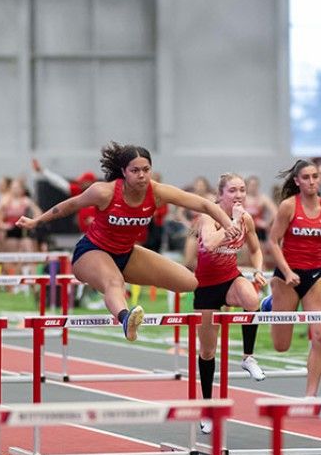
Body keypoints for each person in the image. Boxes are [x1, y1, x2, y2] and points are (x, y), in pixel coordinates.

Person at [15, 142, 240, 342]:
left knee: (189, 283)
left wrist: (228, 224)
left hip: (126, 254)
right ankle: (126, 319)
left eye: (146, 170)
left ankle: (244, 298)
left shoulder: (157, 192)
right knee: (114, 283)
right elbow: (69, 205)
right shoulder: (104, 192)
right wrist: (37, 221)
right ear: (123, 172)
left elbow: (205, 205)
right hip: (91, 252)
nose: (142, 175)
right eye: (135, 171)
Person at [264, 159, 321, 397]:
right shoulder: (288, 206)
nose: (311, 181)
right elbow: (273, 242)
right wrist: (286, 271)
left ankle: (310, 395)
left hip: (315, 277)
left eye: (315, 176)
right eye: (306, 177)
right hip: (287, 277)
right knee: (281, 346)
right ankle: (269, 305)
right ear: (297, 181)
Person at [195, 173, 268, 433]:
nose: (238, 195)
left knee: (252, 299)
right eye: (233, 191)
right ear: (221, 194)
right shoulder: (208, 216)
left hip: (229, 278)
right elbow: (209, 246)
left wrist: (258, 269)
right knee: (207, 351)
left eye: (242, 190)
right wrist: (233, 223)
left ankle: (248, 357)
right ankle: (206, 409)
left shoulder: (247, 219)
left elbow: (257, 250)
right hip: (205, 287)